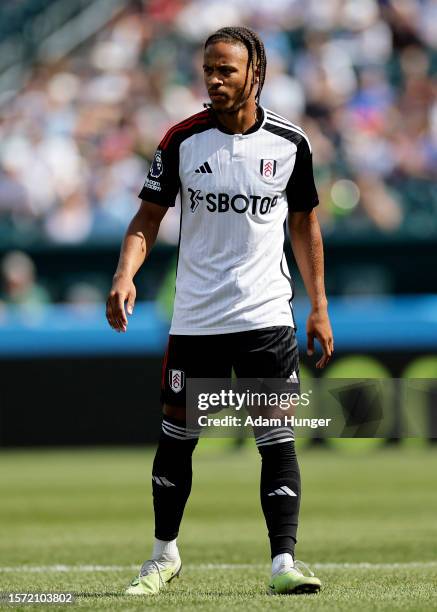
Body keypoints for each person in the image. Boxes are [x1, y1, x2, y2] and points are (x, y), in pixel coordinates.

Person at [106, 26, 333, 596]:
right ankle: (163, 556)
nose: (214, 78)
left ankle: (283, 562)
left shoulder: (290, 144)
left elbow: (306, 224)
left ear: (256, 74)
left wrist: (319, 307)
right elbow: (148, 218)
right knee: (177, 438)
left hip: (265, 316)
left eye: (226, 69)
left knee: (276, 438)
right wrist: (123, 274)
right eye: (208, 68)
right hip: (197, 318)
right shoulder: (182, 140)